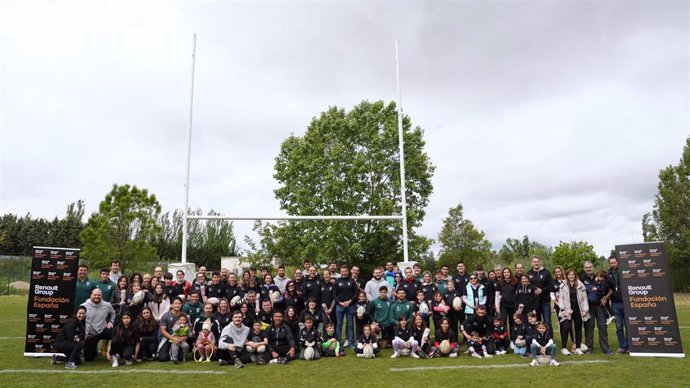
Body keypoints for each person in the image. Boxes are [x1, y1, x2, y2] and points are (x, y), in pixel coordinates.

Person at [581, 262, 612, 355]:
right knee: (589, 327)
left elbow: (609, 290)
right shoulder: (581, 279)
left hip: (600, 306)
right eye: (586, 267)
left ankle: (605, 348)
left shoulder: (600, 277)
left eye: (590, 267)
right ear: (584, 269)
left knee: (602, 326)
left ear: (593, 268)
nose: (588, 269)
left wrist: (605, 297)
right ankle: (589, 348)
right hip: (588, 307)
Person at [558, 268, 590, 355]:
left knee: (578, 329)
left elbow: (584, 299)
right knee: (566, 328)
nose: (571, 276)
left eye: (572, 274)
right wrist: (563, 309)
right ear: (567, 276)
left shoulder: (580, 284)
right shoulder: (563, 284)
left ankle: (578, 347)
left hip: (578, 310)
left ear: (575, 275)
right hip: (567, 310)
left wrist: (585, 310)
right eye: (569, 275)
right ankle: (564, 348)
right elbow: (560, 298)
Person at [81, 288, 116, 361]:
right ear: (91, 295)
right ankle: (93, 351)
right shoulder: (84, 306)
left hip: (103, 330)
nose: (97, 296)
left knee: (117, 334)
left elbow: (113, 313)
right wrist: (85, 333)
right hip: (91, 334)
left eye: (99, 295)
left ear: (101, 296)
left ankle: (114, 353)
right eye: (95, 295)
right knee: (89, 359)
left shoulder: (107, 305)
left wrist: (111, 322)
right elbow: (79, 319)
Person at [605, 256, 628, 354]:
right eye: (611, 263)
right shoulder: (607, 274)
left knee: (629, 326)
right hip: (615, 303)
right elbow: (605, 287)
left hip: (626, 303)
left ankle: (630, 345)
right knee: (619, 326)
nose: (613, 264)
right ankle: (622, 347)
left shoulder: (624, 271)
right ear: (609, 263)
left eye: (614, 262)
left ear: (617, 262)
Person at [527, 256, 554, 337]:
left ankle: (550, 340)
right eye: (534, 262)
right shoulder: (529, 273)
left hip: (545, 301)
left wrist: (542, 290)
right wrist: (534, 289)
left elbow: (550, 286)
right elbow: (528, 285)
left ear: (540, 262)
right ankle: (538, 340)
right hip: (535, 303)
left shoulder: (546, 272)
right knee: (536, 322)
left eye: (537, 261)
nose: (536, 263)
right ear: (531, 263)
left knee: (547, 322)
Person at [334, 265, 358, 348]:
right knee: (339, 325)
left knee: (350, 324)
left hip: (350, 306)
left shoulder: (352, 281)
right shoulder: (337, 281)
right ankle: (338, 343)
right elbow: (334, 294)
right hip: (340, 306)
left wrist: (350, 301)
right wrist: (340, 303)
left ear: (348, 272)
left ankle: (351, 343)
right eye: (342, 271)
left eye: (345, 271)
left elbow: (356, 293)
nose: (344, 273)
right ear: (340, 272)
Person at [158, 297, 185, 362]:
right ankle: (169, 352)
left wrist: (181, 339)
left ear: (181, 305)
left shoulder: (184, 316)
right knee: (162, 358)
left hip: (179, 339)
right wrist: (172, 338)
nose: (177, 305)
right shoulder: (165, 315)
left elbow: (187, 330)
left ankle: (174, 353)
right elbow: (163, 330)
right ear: (171, 305)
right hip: (168, 338)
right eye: (175, 303)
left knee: (180, 358)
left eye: (179, 304)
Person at [495, 267, 518, 332]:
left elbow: (517, 295)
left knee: (512, 322)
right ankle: (505, 339)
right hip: (503, 306)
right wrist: (497, 306)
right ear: (503, 274)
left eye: (507, 272)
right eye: (504, 272)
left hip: (513, 306)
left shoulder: (515, 282)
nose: (506, 274)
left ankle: (513, 339)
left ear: (510, 273)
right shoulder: (500, 283)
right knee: (503, 321)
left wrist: (517, 306)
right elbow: (497, 295)